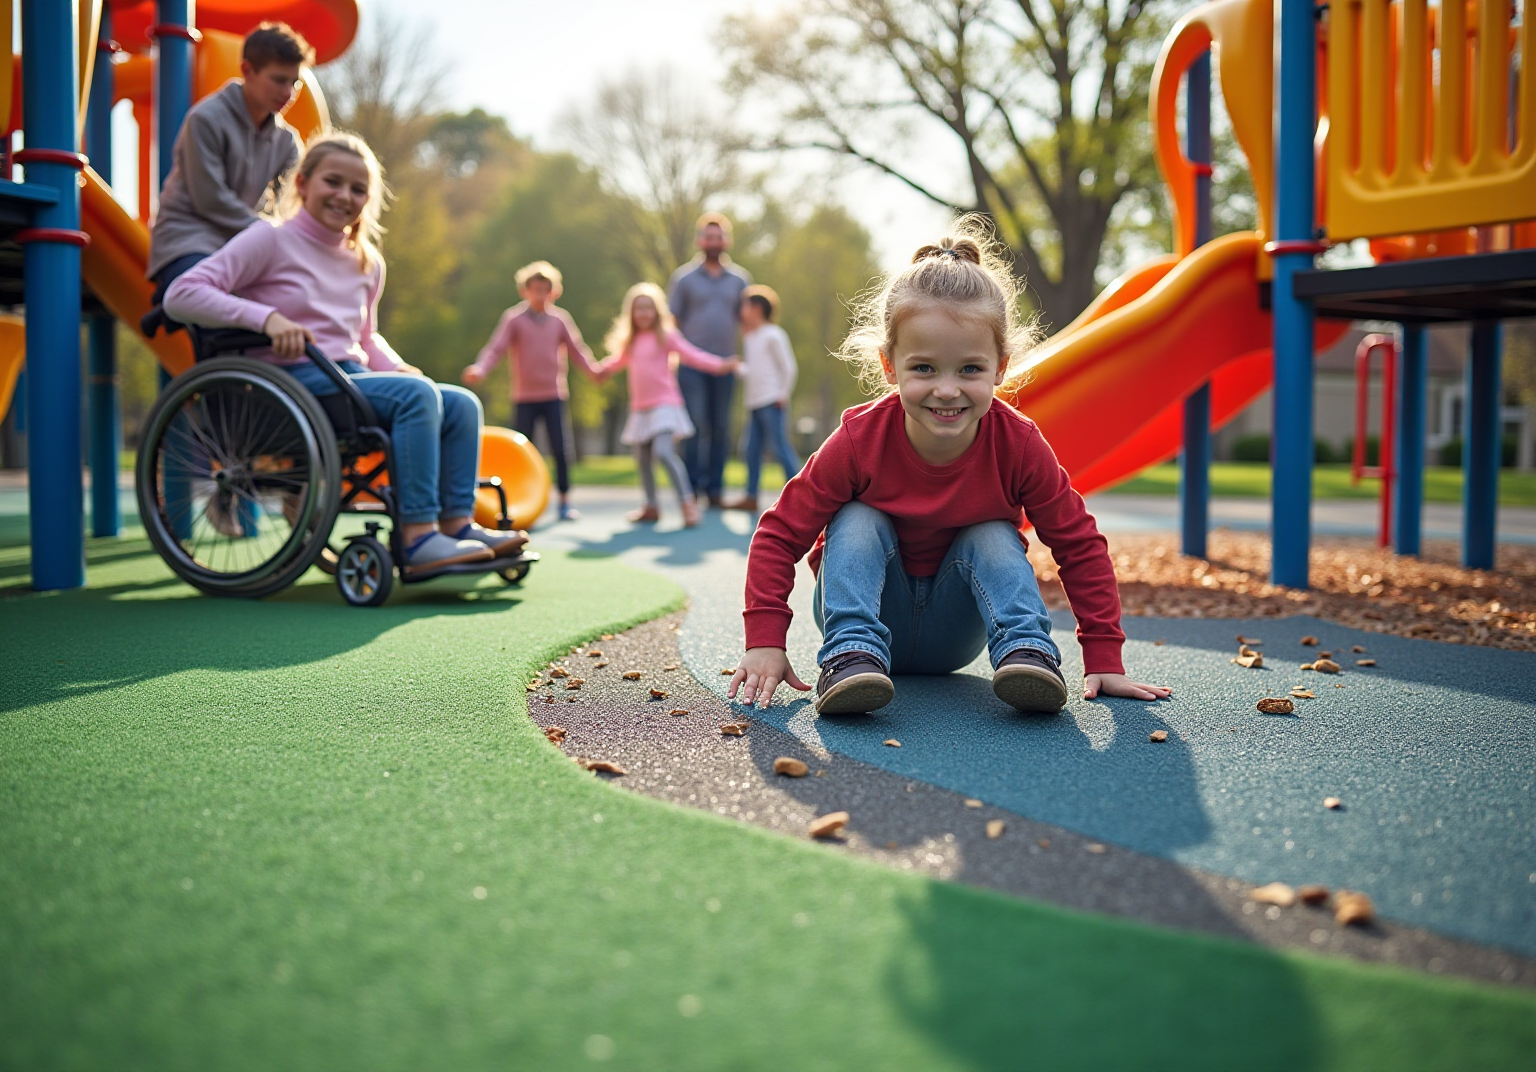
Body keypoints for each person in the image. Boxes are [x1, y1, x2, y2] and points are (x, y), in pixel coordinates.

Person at [727, 216, 1170, 716]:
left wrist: (1104, 656)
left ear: (1001, 366)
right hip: (869, 612)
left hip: (957, 633)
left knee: (991, 532)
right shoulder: (859, 439)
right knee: (857, 516)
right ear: (888, 365)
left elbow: (1078, 542)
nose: (946, 389)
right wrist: (765, 639)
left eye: (970, 370)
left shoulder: (1017, 444)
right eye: (923, 368)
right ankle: (850, 654)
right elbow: (779, 533)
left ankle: (1027, 650)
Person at [164, 132, 528, 573]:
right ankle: (417, 539)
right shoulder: (269, 240)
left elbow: (365, 337)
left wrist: (398, 369)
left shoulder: (366, 261)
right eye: (332, 182)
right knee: (417, 397)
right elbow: (181, 294)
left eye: (358, 189)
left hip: (346, 377)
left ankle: (456, 527)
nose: (344, 196)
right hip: (287, 384)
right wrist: (267, 319)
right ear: (302, 183)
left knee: (459, 403)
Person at [148, 22, 314, 304]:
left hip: (240, 245)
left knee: (299, 296)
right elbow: (210, 200)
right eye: (278, 80)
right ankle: (172, 301)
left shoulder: (287, 142)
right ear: (248, 70)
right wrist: (273, 233)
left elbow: (296, 203)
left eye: (295, 82)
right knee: (219, 304)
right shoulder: (206, 119)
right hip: (189, 242)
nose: (288, 92)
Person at [462, 261, 601, 521]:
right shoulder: (514, 319)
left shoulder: (560, 320)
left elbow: (577, 349)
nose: (540, 295)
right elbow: (496, 348)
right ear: (525, 291)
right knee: (522, 451)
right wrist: (480, 368)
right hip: (524, 397)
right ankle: (517, 500)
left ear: (554, 292)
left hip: (554, 395)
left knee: (560, 449)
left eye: (545, 290)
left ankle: (564, 501)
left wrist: (593, 371)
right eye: (535, 289)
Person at [596, 283, 739, 528]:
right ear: (631, 312)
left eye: (648, 308)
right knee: (641, 458)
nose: (643, 313)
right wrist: (600, 371)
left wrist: (720, 365)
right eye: (638, 308)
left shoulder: (666, 335)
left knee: (663, 452)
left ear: (657, 311)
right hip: (641, 408)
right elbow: (615, 362)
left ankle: (687, 503)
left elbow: (692, 355)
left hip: (665, 404)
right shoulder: (631, 341)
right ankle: (651, 506)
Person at [668, 213, 751, 508]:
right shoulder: (684, 279)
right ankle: (690, 489)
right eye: (708, 236)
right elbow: (672, 321)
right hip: (691, 367)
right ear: (700, 240)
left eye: (719, 237)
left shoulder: (740, 280)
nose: (713, 242)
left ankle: (715, 490)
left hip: (726, 366)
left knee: (720, 427)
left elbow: (748, 321)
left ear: (726, 241)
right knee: (693, 426)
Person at [726, 285, 801, 513]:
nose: (741, 311)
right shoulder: (751, 338)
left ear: (757, 308)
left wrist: (782, 394)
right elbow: (756, 370)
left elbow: (788, 367)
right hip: (754, 403)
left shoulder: (773, 334)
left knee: (779, 447)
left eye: (745, 306)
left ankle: (800, 495)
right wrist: (739, 368)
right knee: (751, 449)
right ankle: (751, 496)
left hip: (771, 401)